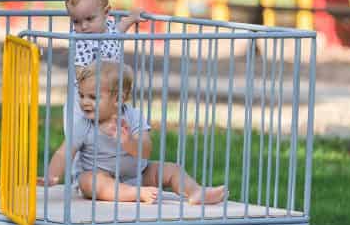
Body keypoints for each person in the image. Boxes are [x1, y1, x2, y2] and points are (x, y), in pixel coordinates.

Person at [44, 61, 227, 205]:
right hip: (102, 177)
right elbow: (64, 152)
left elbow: (146, 151)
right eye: (82, 95)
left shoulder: (133, 116)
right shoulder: (84, 124)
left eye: (93, 97)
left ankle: (195, 192)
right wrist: (52, 176)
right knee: (89, 181)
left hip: (138, 174)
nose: (84, 102)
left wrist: (129, 141)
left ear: (119, 99)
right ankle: (135, 194)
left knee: (172, 169)